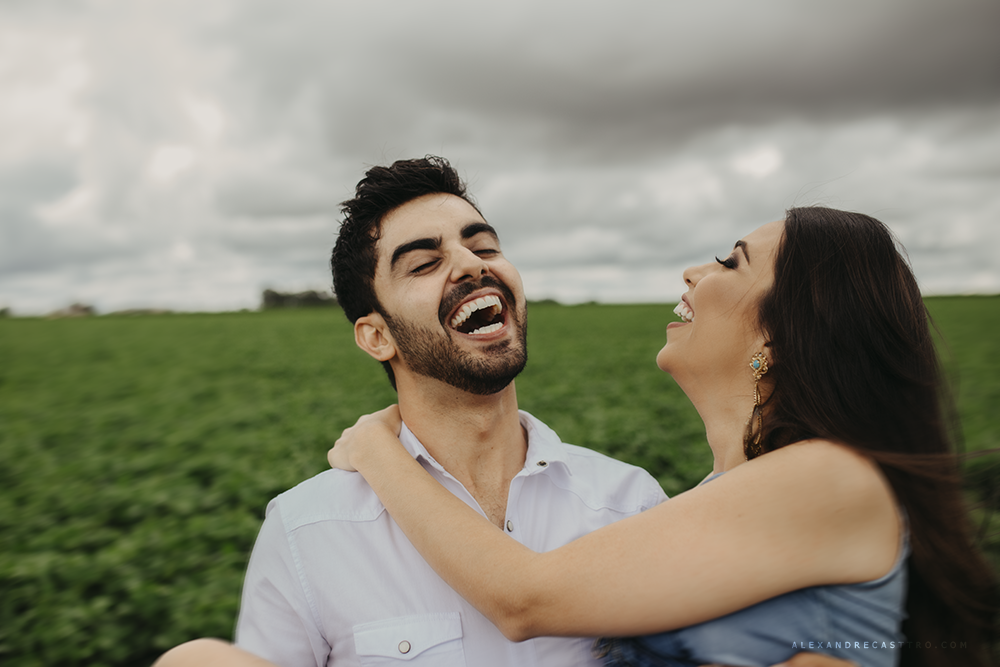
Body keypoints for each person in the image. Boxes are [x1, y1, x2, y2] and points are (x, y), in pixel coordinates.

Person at [151, 157, 860, 667]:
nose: (469, 263)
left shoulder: (630, 502)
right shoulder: (306, 529)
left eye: (483, 245)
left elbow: (522, 599)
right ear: (375, 335)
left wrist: (376, 448)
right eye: (423, 263)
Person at [328, 207, 998, 667]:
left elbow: (523, 597)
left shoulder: (831, 478)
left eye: (730, 263)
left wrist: (376, 448)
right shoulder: (723, 494)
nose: (693, 274)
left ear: (780, 330)